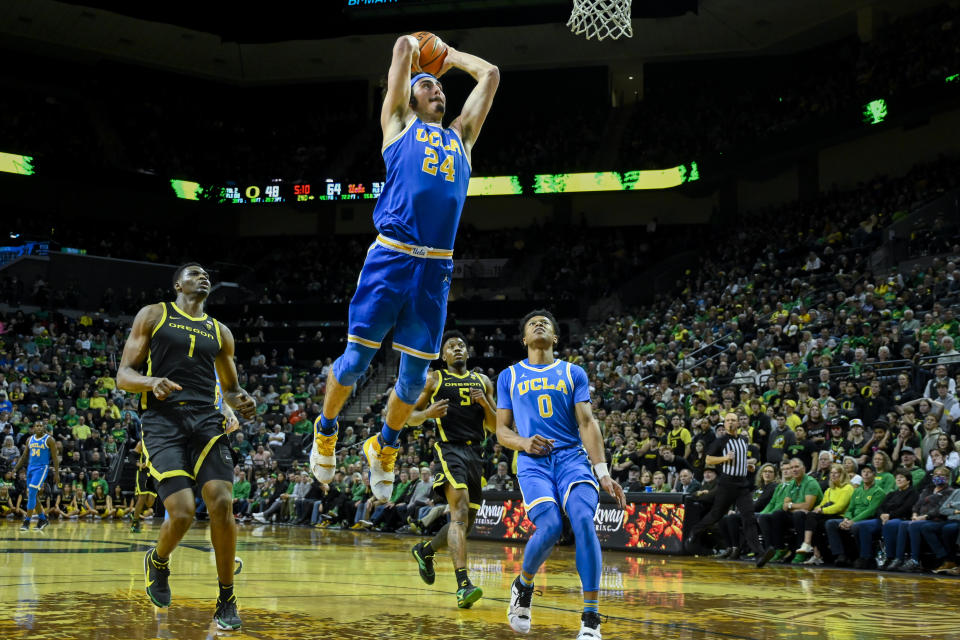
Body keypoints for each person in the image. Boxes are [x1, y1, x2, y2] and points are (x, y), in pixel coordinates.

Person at [309, 33, 500, 507]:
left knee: (414, 381)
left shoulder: (462, 138)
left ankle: (385, 445)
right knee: (355, 363)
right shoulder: (398, 126)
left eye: (440, 86)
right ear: (409, 97)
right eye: (427, 86)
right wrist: (418, 48)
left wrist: (450, 57)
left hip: (434, 270)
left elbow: (491, 75)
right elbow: (400, 49)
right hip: (392, 256)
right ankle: (327, 429)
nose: (437, 89)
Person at [116, 262, 256, 630]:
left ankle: (226, 597)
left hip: (207, 421)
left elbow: (230, 387)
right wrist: (151, 382)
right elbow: (123, 376)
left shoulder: (220, 331)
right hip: (163, 421)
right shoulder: (153, 315)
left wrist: (242, 400)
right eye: (194, 273)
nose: (203, 276)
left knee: (222, 502)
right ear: (178, 284)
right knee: (181, 513)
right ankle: (158, 561)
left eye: (206, 274)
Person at [496, 310, 625, 640]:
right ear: (524, 339)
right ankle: (523, 585)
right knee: (551, 526)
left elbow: (587, 423)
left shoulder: (572, 372)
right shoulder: (509, 376)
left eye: (546, 324)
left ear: (554, 338)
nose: (539, 325)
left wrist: (603, 472)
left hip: (571, 458)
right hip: (533, 461)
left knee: (583, 519)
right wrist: (524, 441)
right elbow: (501, 431)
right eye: (532, 324)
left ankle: (591, 617)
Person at [406, 330, 496, 607]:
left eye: (461, 346)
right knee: (458, 514)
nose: (457, 349)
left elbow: (494, 427)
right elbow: (408, 417)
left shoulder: (482, 381)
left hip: (476, 454)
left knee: (464, 525)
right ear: (443, 355)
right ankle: (463, 586)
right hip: (449, 450)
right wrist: (427, 414)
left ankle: (425, 550)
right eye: (450, 347)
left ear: (467, 353)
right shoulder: (434, 379)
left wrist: (484, 403)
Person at [684, 412, 774, 567]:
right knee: (716, 515)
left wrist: (748, 466)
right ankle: (694, 532)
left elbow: (740, 459)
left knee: (749, 517)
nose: (731, 423)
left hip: (742, 485)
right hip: (726, 484)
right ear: (725, 424)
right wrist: (725, 458)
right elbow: (709, 459)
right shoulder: (721, 441)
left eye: (734, 420)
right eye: (728, 421)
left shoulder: (744, 440)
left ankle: (760, 554)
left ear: (738, 423)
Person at [12, 422, 59, 531]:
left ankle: (27, 521)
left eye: (40, 426)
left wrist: (57, 473)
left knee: (32, 492)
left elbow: (55, 457)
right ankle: (42, 519)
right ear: (33, 428)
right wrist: (15, 469)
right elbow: (24, 456)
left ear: (43, 427)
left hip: (42, 468)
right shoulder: (29, 439)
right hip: (31, 468)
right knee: (32, 494)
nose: (38, 427)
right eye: (36, 426)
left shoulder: (49, 439)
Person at [130, 437, 157, 533]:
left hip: (154, 473)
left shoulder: (160, 442)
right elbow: (131, 457)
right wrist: (139, 464)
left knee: (150, 503)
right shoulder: (142, 443)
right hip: (143, 473)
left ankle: (135, 513)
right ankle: (135, 523)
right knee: (142, 497)